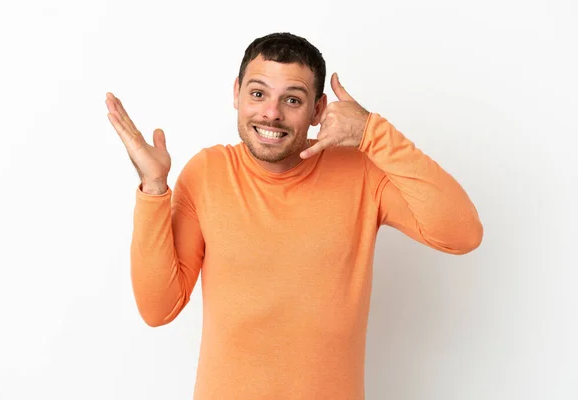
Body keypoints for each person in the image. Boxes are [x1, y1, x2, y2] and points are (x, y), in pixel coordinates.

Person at [105, 32, 483, 400]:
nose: (271, 113)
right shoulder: (207, 173)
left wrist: (373, 132)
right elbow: (158, 308)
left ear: (318, 109)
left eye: (292, 99)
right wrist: (153, 187)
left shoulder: (360, 172)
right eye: (258, 94)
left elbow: (461, 234)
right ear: (236, 94)